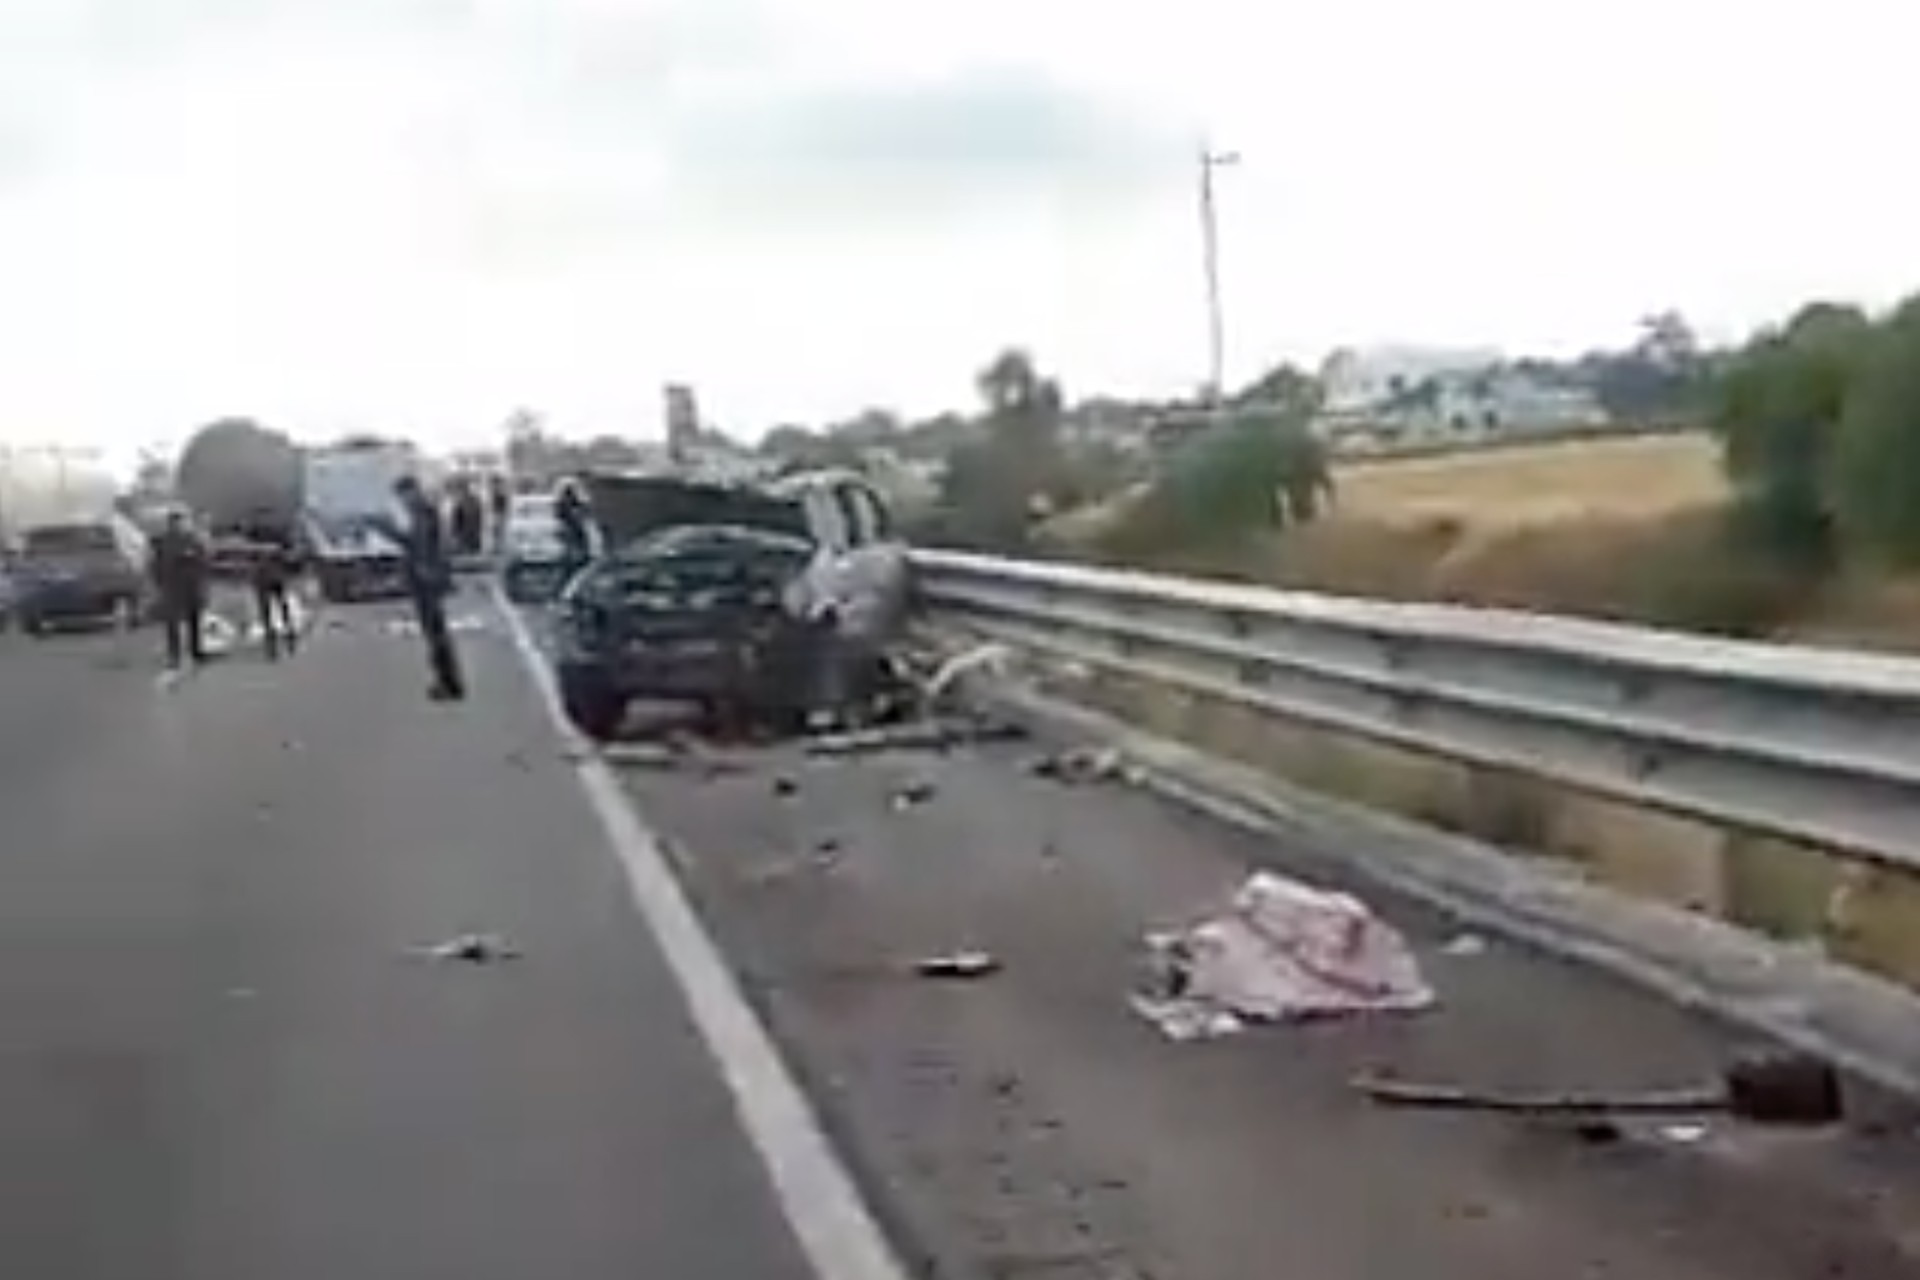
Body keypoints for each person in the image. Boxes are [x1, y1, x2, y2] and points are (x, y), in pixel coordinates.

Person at [376, 475, 465, 701]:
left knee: (436, 635)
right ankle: (448, 682)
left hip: (426, 581)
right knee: (436, 634)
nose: (402, 501)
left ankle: (449, 683)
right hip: (428, 579)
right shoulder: (425, 511)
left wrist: (388, 531)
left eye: (402, 495)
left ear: (411, 491)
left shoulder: (423, 512)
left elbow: (419, 545)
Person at [149, 508, 209, 669]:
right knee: (172, 623)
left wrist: (197, 567)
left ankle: (196, 651)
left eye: (180, 522)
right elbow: (156, 564)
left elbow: (203, 560)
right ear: (170, 524)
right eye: (175, 523)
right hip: (172, 585)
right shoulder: (163, 542)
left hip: (191, 584)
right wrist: (159, 583)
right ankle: (174, 655)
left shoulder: (193, 540)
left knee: (194, 620)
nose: (178, 525)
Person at [244, 514, 300, 660]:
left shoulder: (255, 533)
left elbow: (248, 553)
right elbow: (290, 552)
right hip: (272, 575)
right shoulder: (274, 533)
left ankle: (279, 640)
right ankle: (284, 638)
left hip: (266, 576)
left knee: (271, 609)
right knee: (278, 607)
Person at [554, 478, 593, 581]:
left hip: (573, 534)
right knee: (574, 561)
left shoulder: (565, 503)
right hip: (573, 533)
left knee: (572, 561)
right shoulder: (567, 504)